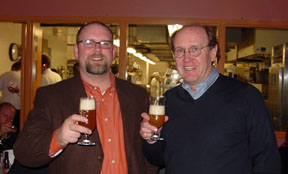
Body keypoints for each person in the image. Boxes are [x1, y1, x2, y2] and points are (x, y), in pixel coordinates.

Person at [14, 22, 157, 174]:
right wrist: (59, 138)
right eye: (88, 43)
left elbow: (148, 154)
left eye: (105, 43)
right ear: (76, 51)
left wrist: (152, 141)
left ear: (113, 52)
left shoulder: (137, 95)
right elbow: (24, 153)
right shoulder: (52, 96)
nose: (97, 49)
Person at [140, 25, 281, 174]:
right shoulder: (167, 100)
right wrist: (152, 140)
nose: (187, 59)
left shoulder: (246, 96)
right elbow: (158, 160)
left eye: (195, 49)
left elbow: (267, 160)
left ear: (213, 52)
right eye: (180, 51)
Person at [0, 61, 21, 130]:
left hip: (5, 108)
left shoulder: (8, 75)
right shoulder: (29, 77)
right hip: (20, 110)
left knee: (4, 128)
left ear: (14, 68)